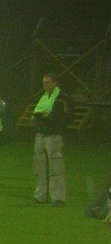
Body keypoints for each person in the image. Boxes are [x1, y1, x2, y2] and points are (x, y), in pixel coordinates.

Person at [31, 72, 69, 206]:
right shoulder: (43, 97)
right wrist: (43, 116)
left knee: (56, 168)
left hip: (53, 135)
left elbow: (58, 116)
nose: (44, 85)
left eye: (47, 82)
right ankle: (40, 196)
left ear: (54, 83)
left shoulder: (62, 98)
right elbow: (37, 115)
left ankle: (58, 198)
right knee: (39, 168)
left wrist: (46, 118)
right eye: (43, 82)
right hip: (40, 134)